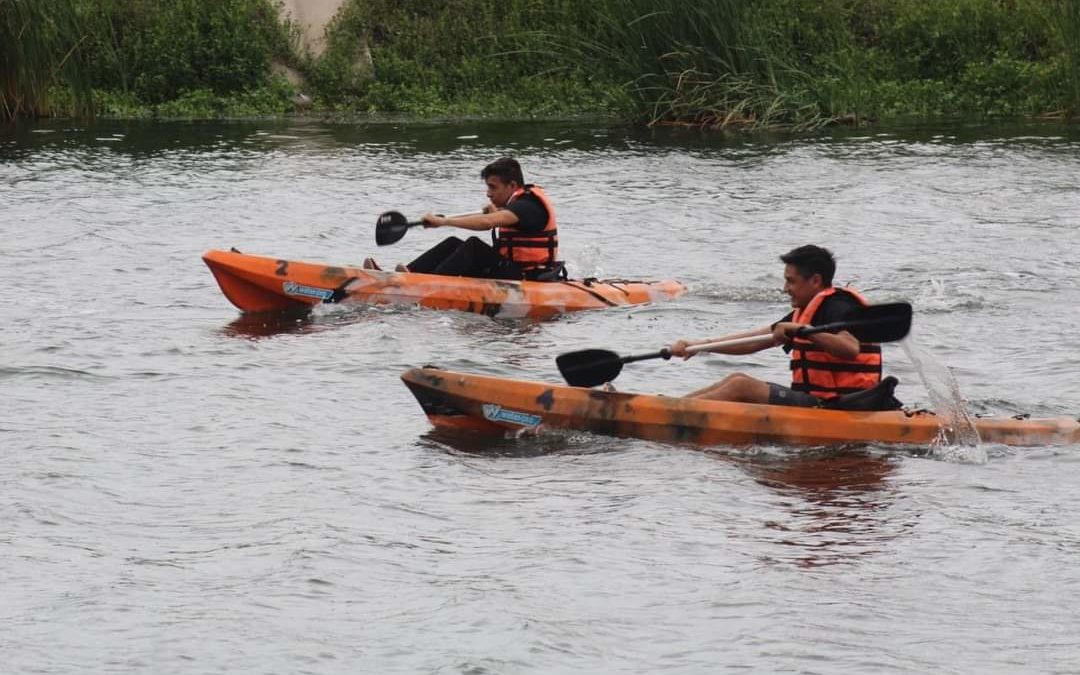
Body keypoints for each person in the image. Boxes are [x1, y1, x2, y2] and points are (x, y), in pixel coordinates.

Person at [669, 245, 883, 406]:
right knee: (737, 378)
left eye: (791, 281)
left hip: (842, 406)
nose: (785, 288)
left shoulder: (838, 306)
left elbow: (850, 349)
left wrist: (801, 331)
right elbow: (752, 342)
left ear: (816, 281)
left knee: (741, 387)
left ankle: (671, 415)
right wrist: (698, 346)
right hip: (819, 401)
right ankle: (671, 408)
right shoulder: (808, 310)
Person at [364, 157, 560, 280]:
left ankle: (426, 283)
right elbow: (493, 219)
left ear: (512, 186)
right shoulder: (514, 204)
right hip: (509, 269)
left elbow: (487, 223)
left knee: (474, 246)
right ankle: (406, 275)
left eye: (493, 187)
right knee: (453, 243)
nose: (488, 194)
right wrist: (494, 211)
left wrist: (444, 222)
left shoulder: (528, 205)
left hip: (526, 276)